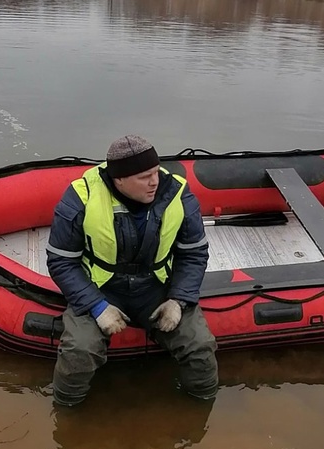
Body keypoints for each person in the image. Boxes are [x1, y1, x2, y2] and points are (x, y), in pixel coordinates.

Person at [45, 135, 219, 407]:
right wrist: (96, 306)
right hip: (101, 288)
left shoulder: (177, 194)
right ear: (119, 180)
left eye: (155, 172)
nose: (154, 181)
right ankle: (66, 414)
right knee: (79, 351)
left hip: (156, 287)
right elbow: (61, 261)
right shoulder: (81, 197)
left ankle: (202, 404)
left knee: (199, 346)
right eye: (144, 177)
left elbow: (193, 254)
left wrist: (178, 300)